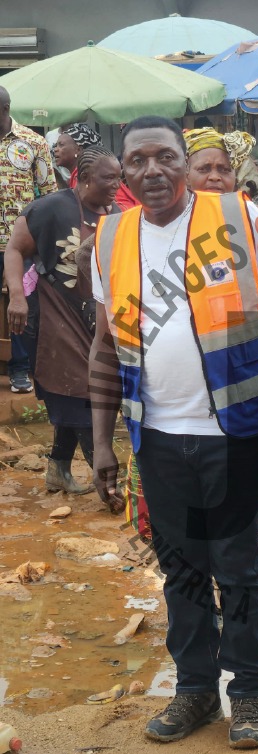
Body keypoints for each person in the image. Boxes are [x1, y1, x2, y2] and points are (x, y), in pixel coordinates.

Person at [88, 115, 258, 749]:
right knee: (182, 570)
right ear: (122, 170)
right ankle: (195, 691)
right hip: (158, 434)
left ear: (184, 160)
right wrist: (101, 442)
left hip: (238, 429)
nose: (152, 171)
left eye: (165, 157)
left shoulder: (241, 218)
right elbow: (103, 347)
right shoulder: (110, 237)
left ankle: (249, 693)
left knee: (240, 565)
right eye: (137, 160)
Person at [184, 126, 258, 640]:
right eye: (203, 167)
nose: (214, 176)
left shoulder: (249, 216)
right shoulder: (162, 224)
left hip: (251, 377)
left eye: (222, 168)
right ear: (183, 174)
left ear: (237, 176)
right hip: (187, 390)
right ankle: (211, 601)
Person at [6, 146, 122, 494]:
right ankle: (109, 486)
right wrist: (15, 297)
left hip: (93, 318)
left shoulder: (115, 214)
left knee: (76, 390)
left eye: (119, 177)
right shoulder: (50, 208)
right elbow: (14, 249)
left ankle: (57, 471)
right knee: (78, 389)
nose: (117, 184)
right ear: (85, 179)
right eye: (109, 178)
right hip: (51, 312)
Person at [0, 85, 57, 393]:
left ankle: (21, 369)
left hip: (19, 244)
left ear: (5, 110)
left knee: (20, 305)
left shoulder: (33, 143)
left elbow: (48, 194)